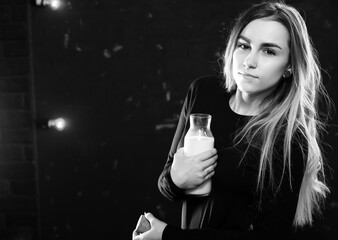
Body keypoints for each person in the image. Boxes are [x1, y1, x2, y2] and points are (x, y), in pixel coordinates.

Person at [132, 1, 331, 239]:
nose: (249, 61)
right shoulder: (203, 93)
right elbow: (169, 186)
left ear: (289, 66)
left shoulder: (289, 139)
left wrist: (166, 235)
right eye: (244, 45)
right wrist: (175, 178)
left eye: (269, 51)